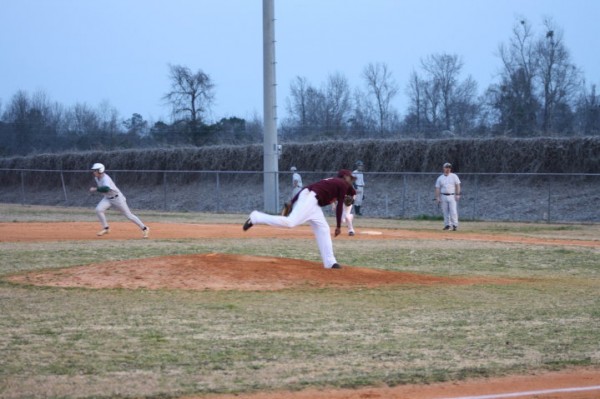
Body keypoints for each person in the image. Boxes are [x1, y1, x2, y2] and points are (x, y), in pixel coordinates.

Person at [243, 169, 357, 269]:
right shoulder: (342, 184)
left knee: (323, 229)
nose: (351, 180)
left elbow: (307, 188)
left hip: (313, 201)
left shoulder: (336, 182)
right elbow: (340, 204)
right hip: (310, 199)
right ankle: (256, 217)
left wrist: (292, 202)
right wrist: (338, 226)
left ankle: (330, 262)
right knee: (290, 222)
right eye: (350, 177)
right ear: (344, 177)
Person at [89, 163, 150, 238]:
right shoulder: (97, 178)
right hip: (107, 198)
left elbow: (106, 188)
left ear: (100, 170)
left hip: (117, 198)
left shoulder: (106, 178)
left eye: (95, 170)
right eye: (94, 170)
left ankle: (145, 228)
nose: (93, 172)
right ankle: (106, 228)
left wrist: (96, 189)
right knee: (98, 210)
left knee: (129, 216)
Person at [435, 162, 461, 231]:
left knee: (453, 211)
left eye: (449, 167)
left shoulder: (454, 176)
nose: (448, 169)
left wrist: (458, 194)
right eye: (446, 167)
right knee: (445, 211)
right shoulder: (440, 178)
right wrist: (437, 197)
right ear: (443, 168)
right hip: (443, 195)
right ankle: (447, 225)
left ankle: (455, 225)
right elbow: (437, 188)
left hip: (452, 196)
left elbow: (457, 185)